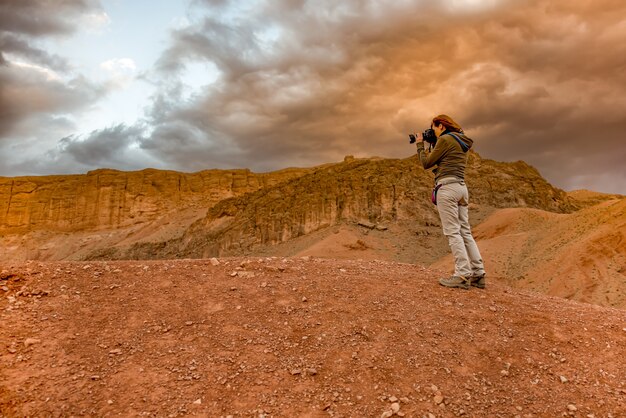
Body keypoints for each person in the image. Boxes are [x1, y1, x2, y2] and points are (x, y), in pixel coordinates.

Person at [415, 114, 486, 289]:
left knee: (453, 232)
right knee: (465, 232)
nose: (432, 132)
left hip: (447, 188)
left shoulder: (445, 140)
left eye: (433, 128)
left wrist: (419, 144)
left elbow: (426, 163)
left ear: (441, 126)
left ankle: (462, 274)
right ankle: (478, 273)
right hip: (462, 188)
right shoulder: (461, 141)